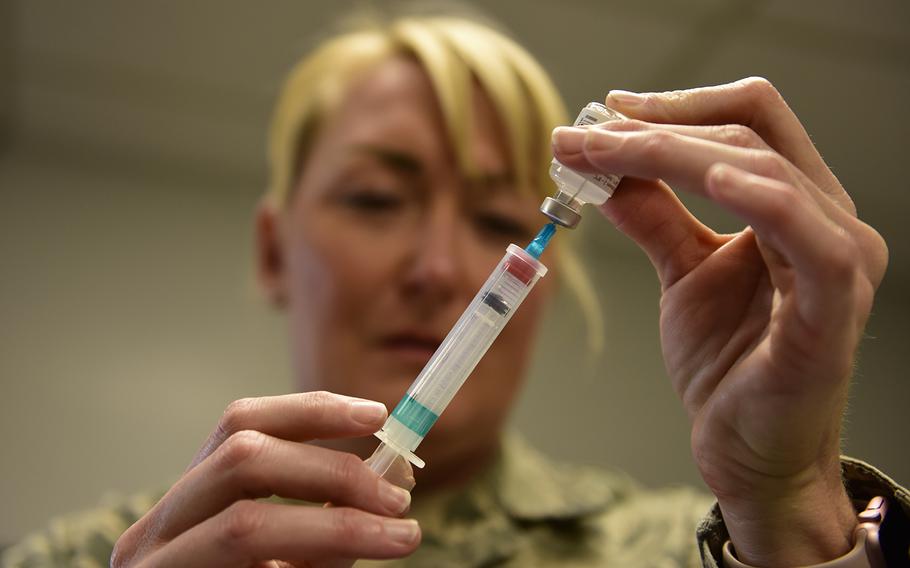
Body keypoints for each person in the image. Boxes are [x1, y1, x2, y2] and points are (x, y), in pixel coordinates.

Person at [3, 12, 907, 568]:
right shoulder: (89, 558)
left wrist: (785, 498)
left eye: (495, 219)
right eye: (376, 198)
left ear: (546, 285)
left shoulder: (693, 550)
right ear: (276, 250)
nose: (441, 267)